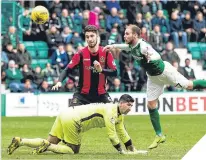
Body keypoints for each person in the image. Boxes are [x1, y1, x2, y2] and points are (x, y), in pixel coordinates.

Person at [103, 24, 206, 149]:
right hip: (153, 78)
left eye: (127, 33)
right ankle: (159, 135)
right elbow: (126, 47)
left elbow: (153, 54)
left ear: (135, 35)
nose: (125, 36)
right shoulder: (132, 45)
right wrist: (113, 46)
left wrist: (150, 57)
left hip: (165, 73)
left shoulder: (143, 46)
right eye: (124, 33)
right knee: (151, 105)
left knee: (189, 85)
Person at [7, 94, 148, 155]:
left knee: (50, 142)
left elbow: (122, 132)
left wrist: (131, 148)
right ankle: (48, 147)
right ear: (121, 103)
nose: (130, 108)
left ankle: (20, 141)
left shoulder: (118, 114)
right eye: (128, 105)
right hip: (73, 120)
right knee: (73, 150)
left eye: (131, 106)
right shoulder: (111, 111)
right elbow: (112, 135)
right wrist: (121, 151)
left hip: (65, 113)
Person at [52, 25, 117, 106]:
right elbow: (67, 69)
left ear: (97, 36)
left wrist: (101, 70)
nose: (90, 39)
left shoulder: (106, 52)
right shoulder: (80, 53)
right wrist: (59, 81)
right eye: (87, 37)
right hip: (82, 95)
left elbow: (115, 72)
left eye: (92, 36)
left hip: (101, 94)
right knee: (72, 116)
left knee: (114, 115)